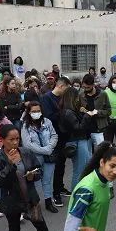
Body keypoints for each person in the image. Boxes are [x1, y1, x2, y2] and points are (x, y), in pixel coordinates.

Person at [0, 124, 63, 231]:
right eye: (11, 139)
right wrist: (9, 165)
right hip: (11, 200)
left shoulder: (26, 152)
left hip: (29, 197)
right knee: (14, 229)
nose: (15, 143)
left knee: (40, 224)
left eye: (17, 139)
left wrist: (32, 176)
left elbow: (38, 171)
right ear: (2, 140)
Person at [21, 101, 59, 213]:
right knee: (36, 181)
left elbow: (54, 135)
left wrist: (50, 147)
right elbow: (27, 144)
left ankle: (48, 202)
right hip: (35, 158)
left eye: (38, 111)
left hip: (49, 156)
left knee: (47, 180)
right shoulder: (25, 126)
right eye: (33, 111)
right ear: (29, 112)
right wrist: (45, 150)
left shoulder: (47, 122)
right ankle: (35, 203)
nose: (36, 113)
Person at [42, 76, 71, 207]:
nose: (67, 91)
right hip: (53, 136)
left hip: (64, 134)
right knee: (55, 164)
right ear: (60, 86)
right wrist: (64, 113)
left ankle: (60, 187)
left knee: (62, 163)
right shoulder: (47, 98)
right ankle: (55, 193)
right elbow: (49, 117)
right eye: (67, 88)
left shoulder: (63, 98)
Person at [59, 86, 93, 190]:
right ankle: (76, 193)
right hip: (77, 141)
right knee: (79, 170)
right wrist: (86, 116)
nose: (78, 99)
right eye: (77, 97)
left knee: (83, 168)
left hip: (80, 140)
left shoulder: (71, 111)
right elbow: (78, 128)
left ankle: (80, 191)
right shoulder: (68, 112)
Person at [78, 74, 111, 147]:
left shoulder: (103, 94)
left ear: (93, 85)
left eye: (88, 87)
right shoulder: (81, 95)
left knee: (100, 153)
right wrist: (80, 109)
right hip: (86, 130)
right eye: (84, 87)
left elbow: (109, 111)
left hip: (99, 129)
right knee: (87, 155)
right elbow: (77, 110)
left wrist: (98, 112)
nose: (85, 89)